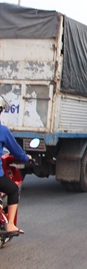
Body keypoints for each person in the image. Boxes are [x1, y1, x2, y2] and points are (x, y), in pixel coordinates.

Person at [0, 95, 31, 237]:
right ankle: (10, 224)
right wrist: (26, 158)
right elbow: (17, 152)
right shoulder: (3, 131)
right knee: (13, 190)